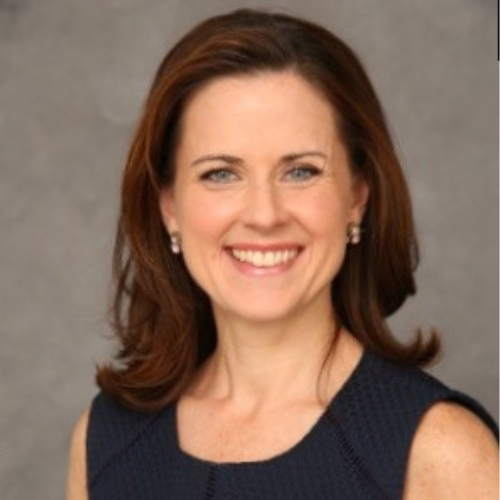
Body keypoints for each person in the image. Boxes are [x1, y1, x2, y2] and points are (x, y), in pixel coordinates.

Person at [66, 9, 499, 500]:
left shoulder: (441, 451)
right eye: (221, 174)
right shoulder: (105, 441)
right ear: (169, 208)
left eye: (300, 171)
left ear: (357, 196)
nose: (264, 214)